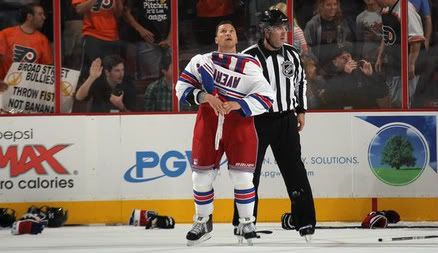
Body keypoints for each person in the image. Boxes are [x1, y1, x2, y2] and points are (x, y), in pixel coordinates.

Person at [176, 20, 275, 246]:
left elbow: (267, 97)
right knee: (200, 178)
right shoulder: (201, 62)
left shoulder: (250, 64)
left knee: (243, 177)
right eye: (223, 31)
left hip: (239, 125)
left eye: (231, 30)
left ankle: (246, 222)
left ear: (237, 39)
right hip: (208, 124)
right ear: (216, 39)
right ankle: (202, 221)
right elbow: (181, 88)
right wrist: (205, 97)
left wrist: (238, 104)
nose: (228, 33)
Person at [232, 9, 316, 240]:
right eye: (279, 28)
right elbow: (237, 90)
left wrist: (300, 110)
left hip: (286, 120)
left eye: (285, 28)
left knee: (295, 171)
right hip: (257, 122)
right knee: (250, 174)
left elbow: (301, 81)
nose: (284, 33)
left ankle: (305, 221)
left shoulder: (292, 54)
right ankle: (244, 223)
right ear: (266, 31)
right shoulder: (248, 57)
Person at [375, 0, 424, 107]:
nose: (375, 3)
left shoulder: (406, 10)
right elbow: (386, 33)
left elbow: (417, 38)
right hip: (394, 63)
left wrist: (411, 64)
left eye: (377, 0)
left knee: (405, 102)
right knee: (395, 100)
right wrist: (380, 55)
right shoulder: (385, 9)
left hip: (408, 65)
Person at [319, 46, 388, 109]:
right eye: (344, 58)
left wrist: (371, 75)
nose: (348, 60)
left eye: (349, 56)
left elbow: (383, 92)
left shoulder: (362, 71)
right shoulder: (332, 77)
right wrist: (346, 75)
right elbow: (329, 98)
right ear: (335, 62)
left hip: (370, 112)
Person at [0, 3, 52, 81]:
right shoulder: (5, 34)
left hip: (29, 87)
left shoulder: (43, 40)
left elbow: (46, 68)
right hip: (5, 86)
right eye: (40, 14)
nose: (44, 18)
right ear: (29, 17)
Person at [72, 0, 123, 79]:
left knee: (113, 74)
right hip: (93, 35)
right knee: (93, 74)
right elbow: (79, 9)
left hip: (113, 36)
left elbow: (118, 14)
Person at [122, 0, 171, 80]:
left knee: (171, 77)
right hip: (146, 41)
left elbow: (177, 14)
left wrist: (170, 38)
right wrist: (140, 29)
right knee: (150, 78)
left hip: (167, 41)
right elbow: (126, 11)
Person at [304, 0, 353, 65]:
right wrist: (315, 63)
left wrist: (345, 53)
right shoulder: (312, 24)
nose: (333, 7)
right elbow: (306, 48)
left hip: (338, 63)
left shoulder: (341, 22)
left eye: (335, 4)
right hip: (319, 64)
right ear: (321, 6)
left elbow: (348, 42)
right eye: (328, 5)